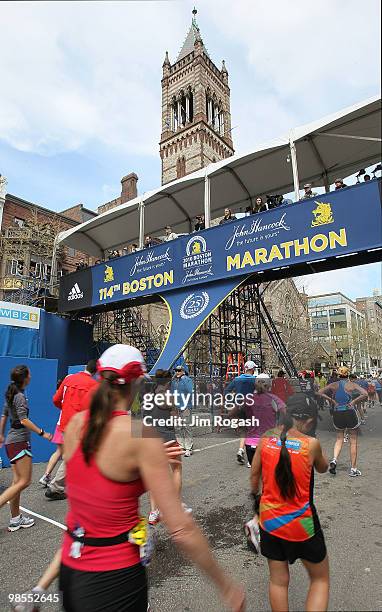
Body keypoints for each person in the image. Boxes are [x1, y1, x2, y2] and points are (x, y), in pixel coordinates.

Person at [56, 344, 244, 612]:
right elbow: (182, 529)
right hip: (115, 576)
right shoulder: (140, 436)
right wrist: (226, 586)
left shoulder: (77, 424)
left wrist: (147, 465)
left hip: (72, 567)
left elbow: (98, 489)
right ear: (136, 383)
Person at [251, 394, 329, 612]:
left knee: (278, 581)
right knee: (320, 580)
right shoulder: (311, 444)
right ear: (310, 421)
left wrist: (255, 505)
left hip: (270, 521)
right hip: (302, 524)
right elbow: (322, 468)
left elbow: (254, 476)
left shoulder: (266, 438)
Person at [0, 365, 52, 532]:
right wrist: (42, 432)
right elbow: (23, 420)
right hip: (19, 442)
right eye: (29, 373)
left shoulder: (12, 394)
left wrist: (1, 434)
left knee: (17, 482)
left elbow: (4, 415)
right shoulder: (19, 396)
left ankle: (15, 519)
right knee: (24, 481)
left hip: (11, 442)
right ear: (25, 378)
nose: (31, 375)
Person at [45, 360, 98, 500]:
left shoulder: (69, 379)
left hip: (65, 424)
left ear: (86, 367)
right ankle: (57, 486)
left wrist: (65, 409)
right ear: (95, 372)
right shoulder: (94, 385)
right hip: (80, 426)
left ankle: (62, 485)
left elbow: (56, 399)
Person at [145, 369, 191, 525]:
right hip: (167, 438)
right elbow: (175, 418)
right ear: (168, 382)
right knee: (176, 469)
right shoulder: (168, 397)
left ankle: (153, 511)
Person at [318, 366, 367, 477]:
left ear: (338, 374)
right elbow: (365, 394)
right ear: (348, 374)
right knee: (353, 441)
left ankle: (334, 460)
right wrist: (354, 401)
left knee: (339, 438)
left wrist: (331, 400)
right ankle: (353, 469)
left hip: (337, 412)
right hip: (349, 412)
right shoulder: (352, 385)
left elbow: (319, 392)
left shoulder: (333, 385)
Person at [224, 361, 257, 466]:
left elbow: (226, 391)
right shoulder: (255, 380)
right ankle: (251, 458)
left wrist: (233, 400)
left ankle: (240, 450)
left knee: (243, 430)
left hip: (239, 407)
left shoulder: (237, 379)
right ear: (252, 369)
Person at [171, 365, 194, 456]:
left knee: (186, 427)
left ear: (183, 371)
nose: (177, 372)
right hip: (176, 407)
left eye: (179, 370)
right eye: (176, 370)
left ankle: (189, 447)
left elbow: (190, 391)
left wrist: (184, 379)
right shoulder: (174, 381)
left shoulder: (187, 380)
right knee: (178, 427)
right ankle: (181, 446)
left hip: (185, 407)